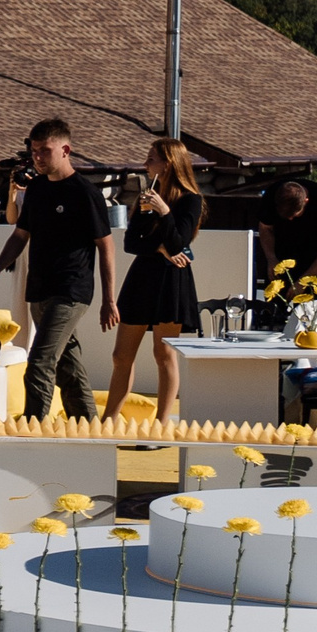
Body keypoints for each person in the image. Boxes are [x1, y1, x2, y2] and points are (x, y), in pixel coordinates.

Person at [0, 117, 117, 420]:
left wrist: (109, 300)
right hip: (39, 289)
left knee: (40, 363)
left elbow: (105, 245)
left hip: (71, 290)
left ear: (65, 149)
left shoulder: (85, 193)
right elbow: (20, 234)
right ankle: (88, 428)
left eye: (45, 151)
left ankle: (33, 430)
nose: (38, 158)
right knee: (68, 366)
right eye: (34, 152)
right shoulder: (37, 190)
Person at [111, 138, 206, 421]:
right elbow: (131, 243)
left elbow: (180, 243)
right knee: (121, 355)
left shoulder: (190, 200)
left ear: (168, 163)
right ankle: (110, 419)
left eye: (151, 159)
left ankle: (161, 423)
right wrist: (160, 247)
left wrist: (164, 212)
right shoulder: (146, 196)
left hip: (171, 281)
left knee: (163, 355)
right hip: (143, 278)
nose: (145, 163)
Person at [257, 176, 317, 281]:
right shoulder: (271, 195)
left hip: (313, 259)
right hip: (279, 254)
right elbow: (265, 228)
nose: (290, 219)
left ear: (306, 201)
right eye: (285, 217)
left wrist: (303, 282)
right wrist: (271, 259)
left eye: (295, 215)